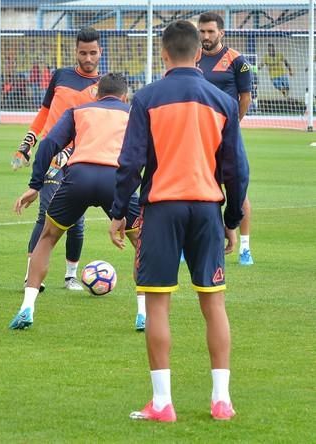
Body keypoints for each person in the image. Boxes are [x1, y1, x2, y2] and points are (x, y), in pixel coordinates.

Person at [108, 20, 249, 422]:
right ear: (198, 54)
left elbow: (131, 161)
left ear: (164, 53)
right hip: (206, 209)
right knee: (214, 303)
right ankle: (221, 401)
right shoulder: (221, 101)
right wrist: (232, 217)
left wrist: (119, 211)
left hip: (162, 209)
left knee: (157, 304)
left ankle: (162, 403)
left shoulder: (147, 98)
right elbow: (236, 169)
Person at [10, 73, 143, 330]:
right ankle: (143, 314)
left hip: (78, 176)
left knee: (47, 238)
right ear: (125, 96)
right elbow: (143, 153)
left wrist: (35, 184)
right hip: (115, 179)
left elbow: (48, 143)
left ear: (96, 94)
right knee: (142, 244)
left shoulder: (78, 110)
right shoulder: (133, 113)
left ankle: (27, 307)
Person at [11, 27, 102, 295]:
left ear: (100, 52)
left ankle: (71, 276)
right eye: (83, 52)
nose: (88, 58)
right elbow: (45, 113)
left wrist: (73, 151)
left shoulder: (104, 86)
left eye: (93, 52)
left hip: (80, 157)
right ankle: (31, 276)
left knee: (77, 220)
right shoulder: (61, 76)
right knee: (45, 212)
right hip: (51, 155)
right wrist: (26, 145)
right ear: (76, 51)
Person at [198, 12, 255, 266]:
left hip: (226, 135)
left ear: (221, 33)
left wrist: (234, 125)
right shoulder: (193, 58)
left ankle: (245, 248)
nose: (206, 36)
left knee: (238, 189)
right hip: (199, 135)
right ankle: (186, 246)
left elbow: (245, 98)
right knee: (197, 188)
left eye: (210, 31)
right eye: (202, 31)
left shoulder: (237, 61)